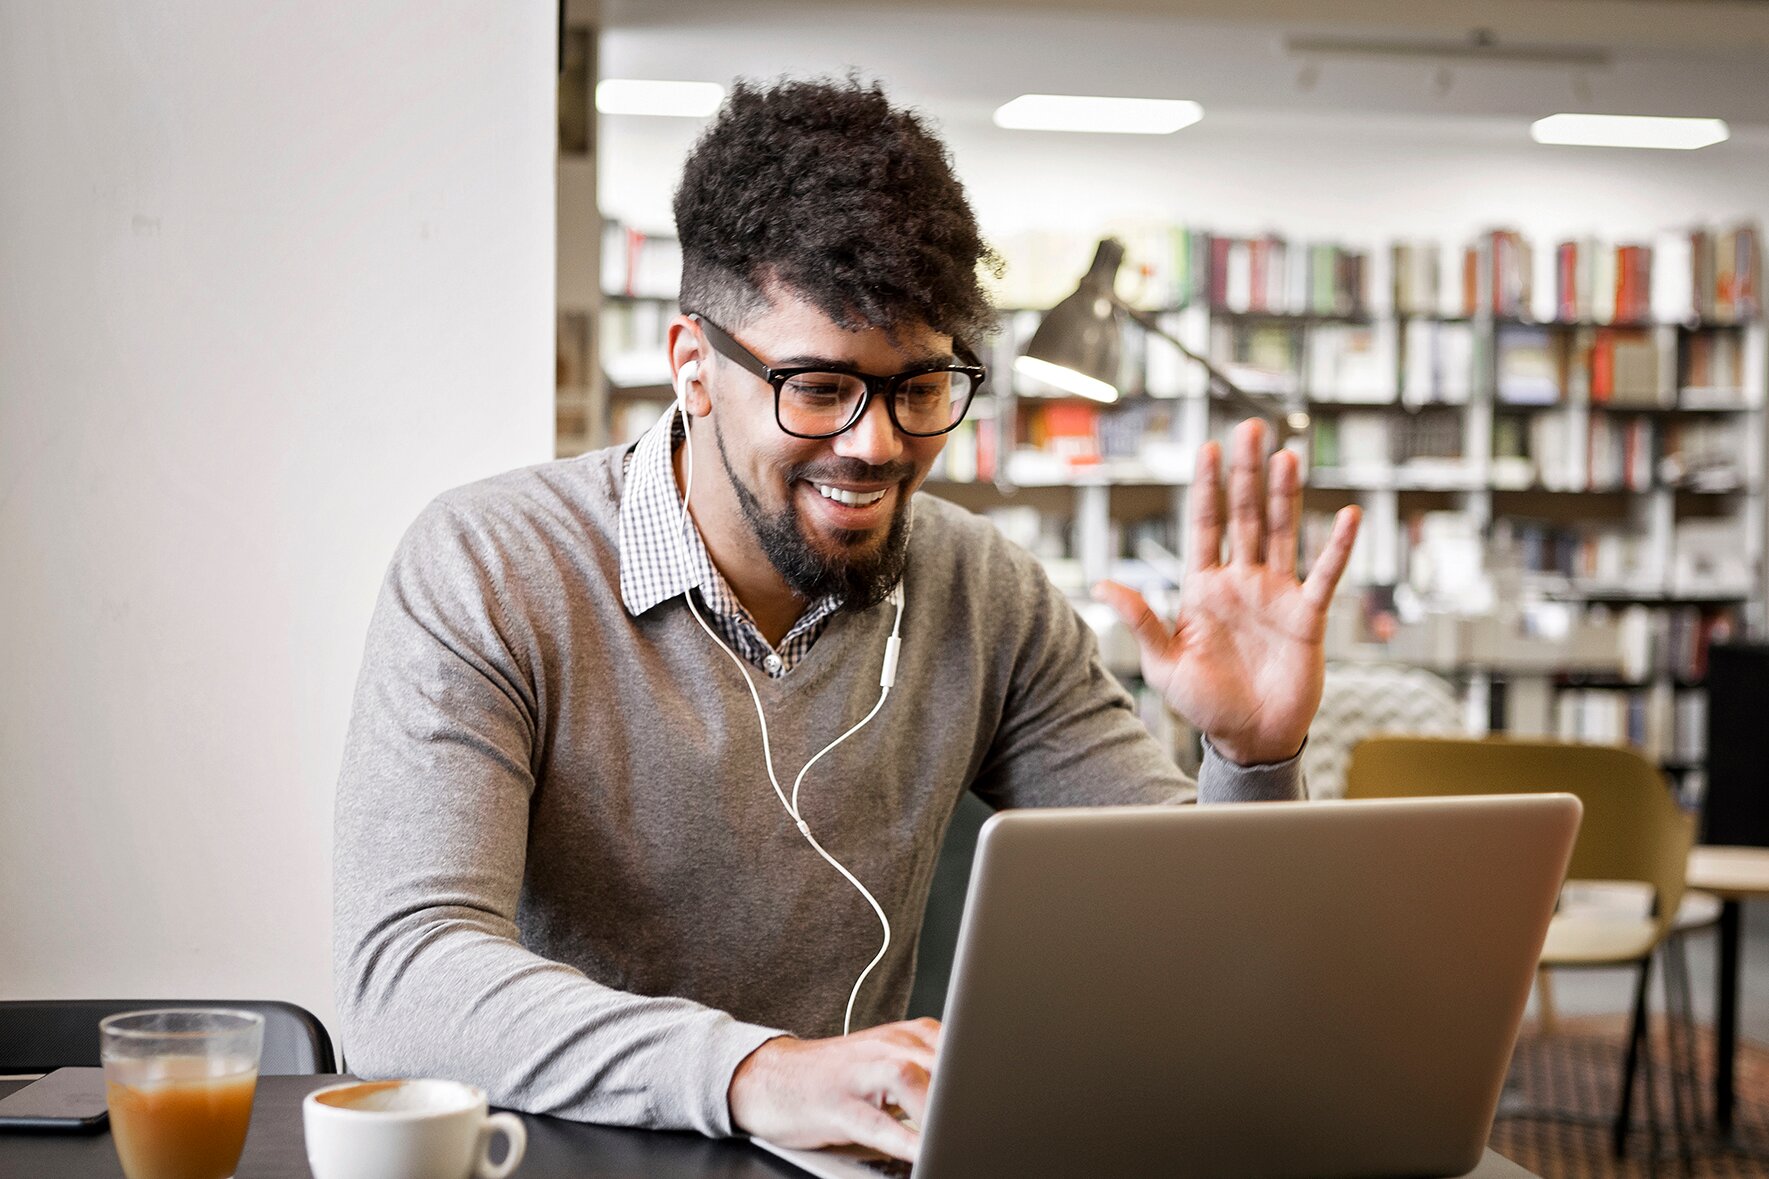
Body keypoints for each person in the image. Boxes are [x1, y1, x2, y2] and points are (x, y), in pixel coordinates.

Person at [332, 76, 1360, 1164]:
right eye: (819, 388)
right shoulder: (492, 565)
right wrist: (754, 1073)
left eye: (919, 387)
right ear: (693, 366)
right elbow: (406, 977)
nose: (875, 446)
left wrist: (1248, 757)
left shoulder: (983, 593)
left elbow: (1200, 941)